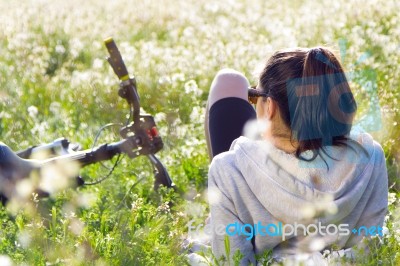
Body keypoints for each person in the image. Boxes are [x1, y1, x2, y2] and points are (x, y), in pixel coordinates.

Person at [205, 47, 388, 264]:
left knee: (227, 82)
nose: (253, 103)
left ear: (270, 107)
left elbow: (231, 260)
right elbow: (371, 248)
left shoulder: (229, 169)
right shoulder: (371, 156)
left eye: (254, 97)